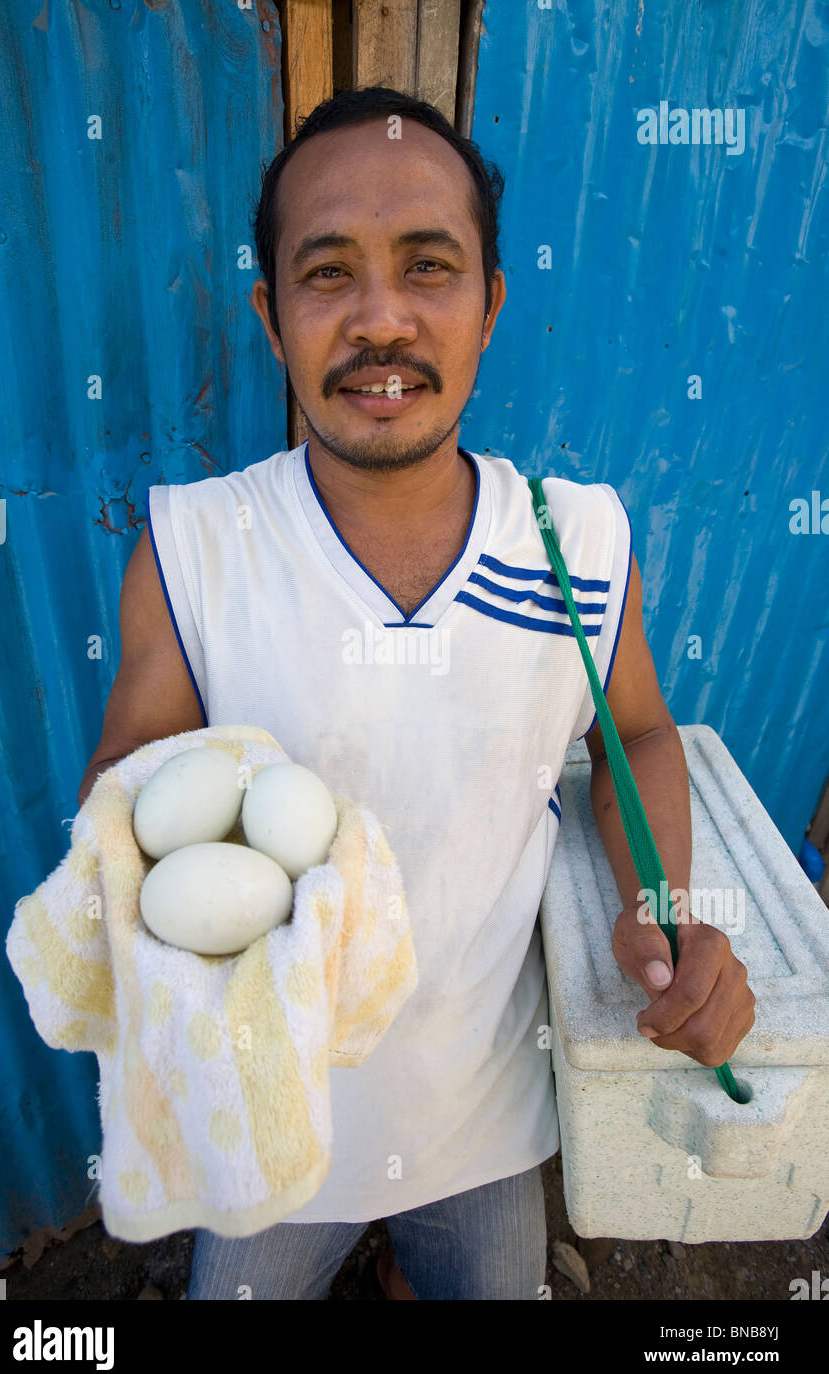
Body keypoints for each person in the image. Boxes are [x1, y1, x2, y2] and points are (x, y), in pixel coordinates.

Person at [79, 86, 755, 1301]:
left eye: (428, 267)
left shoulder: (579, 541)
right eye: (326, 274)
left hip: (485, 1112)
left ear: (490, 305)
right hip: (274, 1117)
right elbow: (132, 786)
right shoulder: (195, 546)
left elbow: (637, 731)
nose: (380, 320)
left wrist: (661, 900)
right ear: (270, 320)